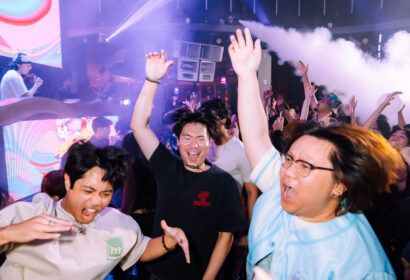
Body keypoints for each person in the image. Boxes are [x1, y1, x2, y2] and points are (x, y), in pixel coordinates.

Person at [228, 28, 403, 279]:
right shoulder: (280, 191)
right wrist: (246, 76)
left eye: (305, 166)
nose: (288, 171)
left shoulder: (360, 266)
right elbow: (256, 138)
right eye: (288, 159)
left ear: (339, 186)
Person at [0, 141, 189, 279]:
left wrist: (168, 241)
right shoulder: (35, 212)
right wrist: (10, 232)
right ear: (68, 181)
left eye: (105, 193)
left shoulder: (116, 222)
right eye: (88, 191)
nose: (97, 202)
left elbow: (140, 249)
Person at [131, 50, 245, 279]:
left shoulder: (224, 182)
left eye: (200, 138)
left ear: (210, 142)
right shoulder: (166, 166)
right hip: (163, 274)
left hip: (204, 274)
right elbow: (138, 126)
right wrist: (152, 80)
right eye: (187, 138)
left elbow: (226, 236)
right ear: (178, 141)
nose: (194, 145)